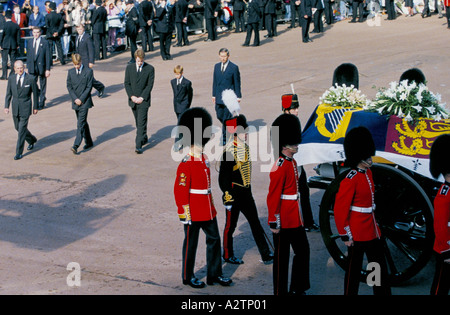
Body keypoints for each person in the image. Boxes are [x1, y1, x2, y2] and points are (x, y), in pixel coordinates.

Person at [174, 107, 233, 289]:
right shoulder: (186, 163)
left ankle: (214, 274)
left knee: (214, 240)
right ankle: (187, 275)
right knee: (191, 244)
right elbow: (180, 190)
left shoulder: (204, 158)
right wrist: (185, 212)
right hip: (193, 208)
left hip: (207, 208)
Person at [334, 126, 391, 295]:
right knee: (353, 271)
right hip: (357, 232)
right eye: (366, 156)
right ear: (359, 156)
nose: (370, 159)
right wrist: (345, 234)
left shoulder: (368, 173)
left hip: (372, 229)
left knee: (377, 268)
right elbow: (340, 209)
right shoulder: (350, 179)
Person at [219, 96, 274, 265]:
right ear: (236, 133)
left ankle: (265, 254)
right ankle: (227, 255)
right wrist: (228, 196)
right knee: (230, 227)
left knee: (255, 224)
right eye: (243, 132)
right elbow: (223, 179)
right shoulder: (229, 151)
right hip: (234, 194)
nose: (246, 135)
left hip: (246, 192)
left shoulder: (244, 148)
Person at [267, 113, 310, 295]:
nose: (296, 145)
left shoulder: (292, 162)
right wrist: (274, 221)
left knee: (303, 251)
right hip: (283, 218)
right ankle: (280, 291)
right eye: (293, 142)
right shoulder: (280, 165)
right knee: (281, 258)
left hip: (294, 216)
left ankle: (297, 288)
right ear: (284, 144)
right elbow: (273, 196)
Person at [281, 93, 319, 232]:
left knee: (304, 191)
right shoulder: (280, 124)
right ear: (286, 110)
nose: (296, 111)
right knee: (290, 196)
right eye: (294, 108)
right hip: (287, 165)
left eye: (297, 108)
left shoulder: (296, 122)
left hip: (298, 163)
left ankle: (308, 222)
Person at [4, 60, 39, 160]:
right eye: (18, 68)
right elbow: (8, 94)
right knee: (17, 127)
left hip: (25, 107)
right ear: (14, 69)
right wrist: (6, 106)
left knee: (21, 131)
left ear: (24, 68)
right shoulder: (11, 79)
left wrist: (35, 107)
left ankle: (19, 152)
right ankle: (32, 140)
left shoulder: (30, 79)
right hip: (15, 107)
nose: (20, 70)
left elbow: (35, 94)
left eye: (21, 68)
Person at [429, 134, 450, 295]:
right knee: (440, 288)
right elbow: (441, 227)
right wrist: (446, 252)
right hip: (446, 250)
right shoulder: (444, 195)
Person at [124, 49, 155, 154]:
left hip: (144, 101)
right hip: (133, 100)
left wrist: (142, 97)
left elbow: (149, 85)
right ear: (135, 59)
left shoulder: (150, 69)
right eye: (138, 61)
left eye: (141, 61)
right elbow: (127, 83)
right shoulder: (129, 68)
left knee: (141, 122)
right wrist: (132, 96)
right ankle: (144, 137)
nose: (140, 63)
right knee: (138, 122)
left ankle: (138, 145)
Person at [212, 48, 242, 144]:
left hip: (229, 96)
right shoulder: (216, 66)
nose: (223, 58)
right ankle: (230, 126)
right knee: (219, 115)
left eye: (224, 56)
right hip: (218, 95)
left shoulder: (233, 67)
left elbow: (237, 82)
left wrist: (238, 96)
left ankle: (224, 138)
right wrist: (213, 95)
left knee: (226, 116)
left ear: (228, 56)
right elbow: (215, 82)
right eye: (221, 56)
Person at [67, 53, 95, 155]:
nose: (76, 66)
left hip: (85, 101)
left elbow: (89, 87)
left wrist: (81, 99)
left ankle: (76, 145)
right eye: (74, 64)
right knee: (82, 122)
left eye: (78, 64)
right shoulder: (70, 72)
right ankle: (89, 141)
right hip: (76, 101)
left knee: (80, 123)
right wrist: (75, 99)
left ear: (81, 62)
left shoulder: (88, 71)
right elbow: (69, 86)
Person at [74, 24, 105, 98]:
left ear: (83, 29)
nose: (79, 31)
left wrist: (91, 61)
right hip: (80, 61)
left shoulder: (87, 37)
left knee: (88, 78)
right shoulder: (77, 37)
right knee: (82, 77)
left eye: (80, 29)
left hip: (86, 60)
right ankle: (84, 92)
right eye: (78, 30)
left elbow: (91, 50)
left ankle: (100, 87)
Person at [26, 27, 52, 110]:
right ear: (32, 33)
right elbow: (29, 56)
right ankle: (40, 95)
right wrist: (28, 66)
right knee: (32, 84)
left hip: (42, 67)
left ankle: (41, 103)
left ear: (40, 33)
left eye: (37, 32)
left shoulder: (45, 42)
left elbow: (48, 56)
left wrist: (47, 69)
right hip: (32, 67)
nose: (36, 34)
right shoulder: (29, 42)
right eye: (34, 32)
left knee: (43, 84)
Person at [0, 10, 20, 80]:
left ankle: (4, 75)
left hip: (5, 45)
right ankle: (12, 74)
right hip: (14, 44)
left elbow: (1, 36)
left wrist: (0, 44)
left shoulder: (4, 25)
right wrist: (18, 44)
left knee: (4, 61)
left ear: (5, 17)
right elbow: (18, 36)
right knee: (13, 61)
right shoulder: (16, 25)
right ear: (11, 17)